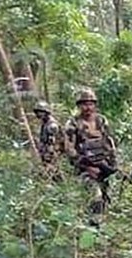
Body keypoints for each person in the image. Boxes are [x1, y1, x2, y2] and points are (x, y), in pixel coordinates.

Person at [65, 88, 118, 217]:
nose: (88, 107)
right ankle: (94, 223)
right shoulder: (73, 123)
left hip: (103, 165)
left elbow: (109, 142)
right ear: (79, 106)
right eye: (84, 104)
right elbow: (69, 149)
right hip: (85, 167)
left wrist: (112, 164)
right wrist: (86, 166)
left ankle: (99, 222)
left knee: (105, 198)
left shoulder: (101, 120)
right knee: (95, 196)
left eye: (90, 104)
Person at [32, 101, 63, 174]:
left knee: (52, 172)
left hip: (51, 154)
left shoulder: (52, 125)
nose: (39, 114)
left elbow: (53, 143)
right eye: (38, 112)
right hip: (45, 152)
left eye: (41, 112)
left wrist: (49, 156)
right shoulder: (45, 123)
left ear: (46, 112)